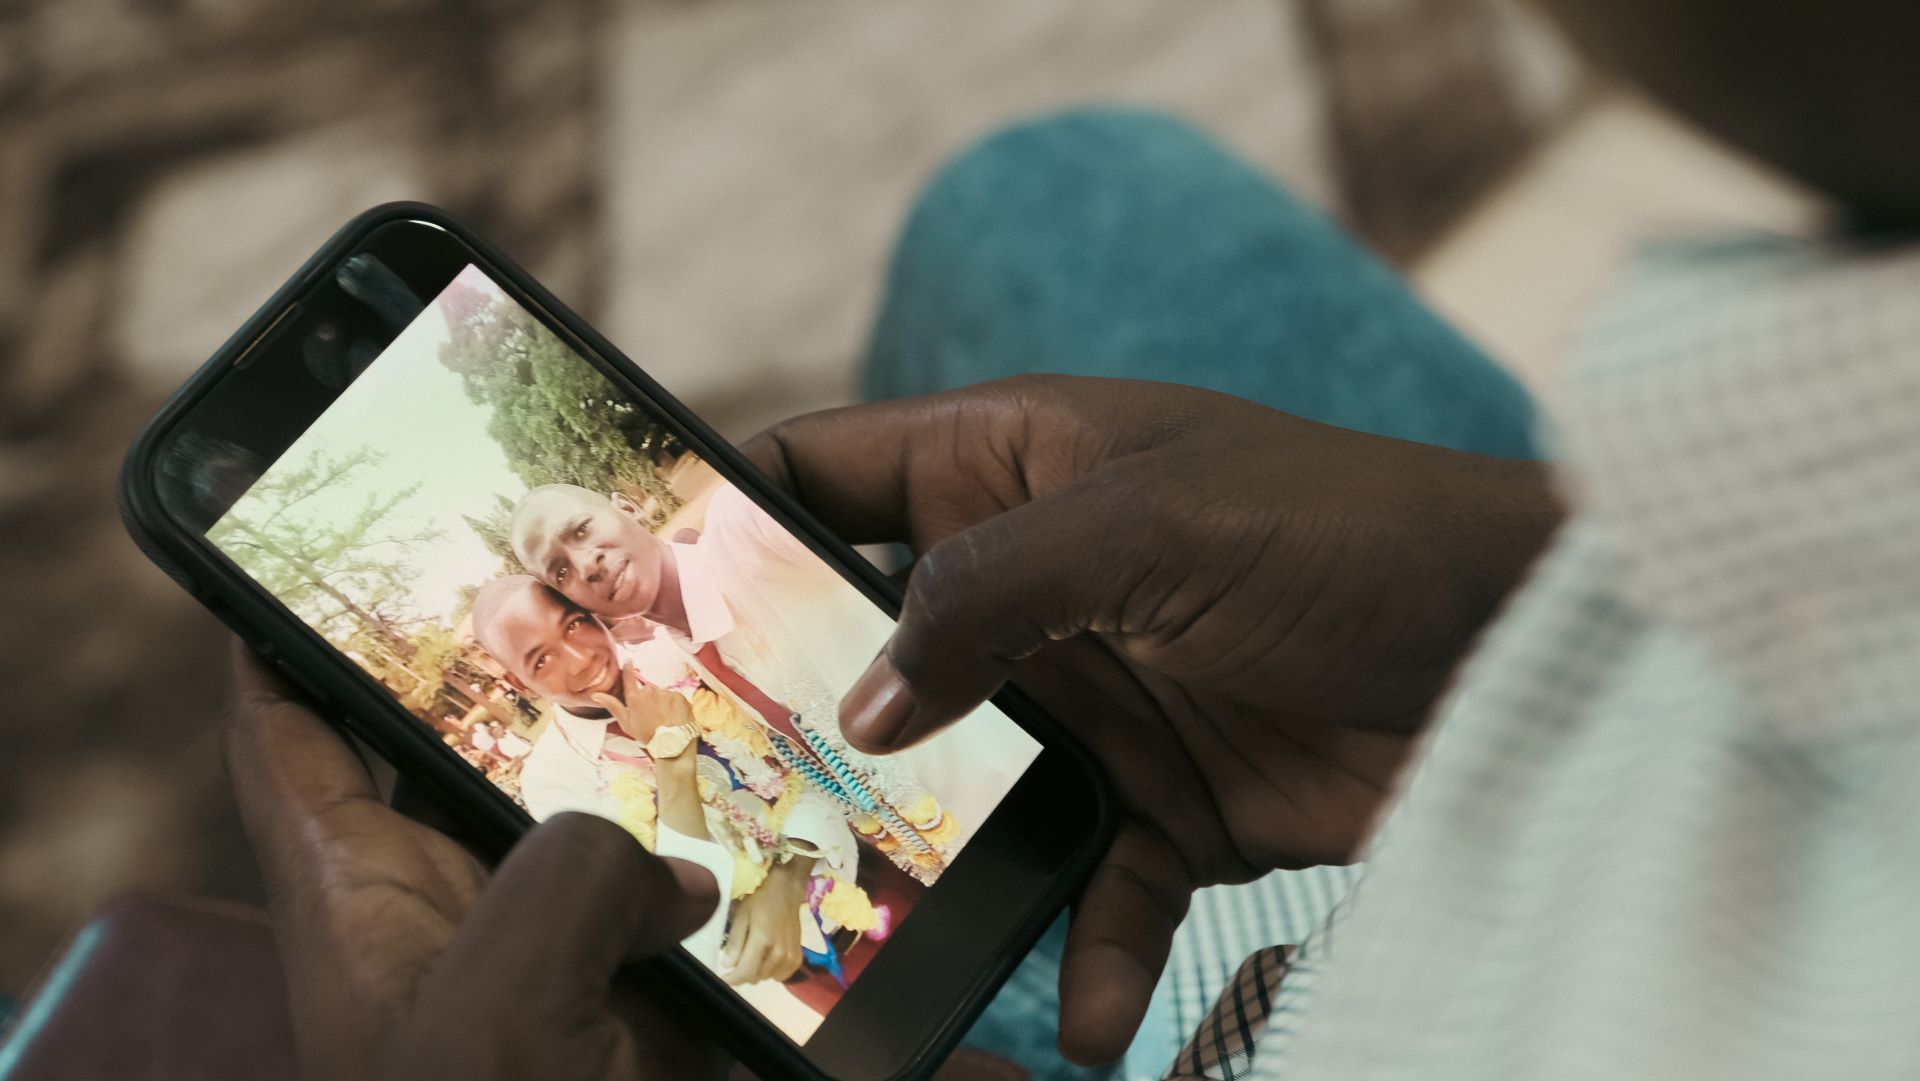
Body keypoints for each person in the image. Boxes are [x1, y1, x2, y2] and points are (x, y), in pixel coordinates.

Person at [221, 2, 1920, 1079]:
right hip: (1498, 791)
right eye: (548, 625)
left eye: (573, 565)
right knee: (1058, 185)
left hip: (1219, 975)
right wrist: (1546, 601)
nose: (579, 604)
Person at [470, 574, 912, 1025]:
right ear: (515, 680)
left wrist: (787, 878)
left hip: (869, 875)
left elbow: (801, 768)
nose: (583, 659)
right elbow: (666, 906)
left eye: (574, 624)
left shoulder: (677, 661)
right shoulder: (554, 782)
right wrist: (672, 757)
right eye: (542, 659)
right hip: (796, 965)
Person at [508, 480, 1027, 853]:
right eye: (560, 569)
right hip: (951, 858)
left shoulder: (744, 528)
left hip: (1025, 781)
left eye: (580, 530)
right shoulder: (682, 657)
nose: (586, 563)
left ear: (627, 507)